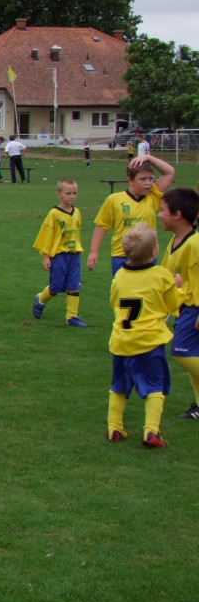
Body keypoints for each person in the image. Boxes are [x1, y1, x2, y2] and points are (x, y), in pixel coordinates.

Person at [107, 224, 180, 448]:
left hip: (121, 340)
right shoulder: (161, 275)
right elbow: (173, 304)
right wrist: (177, 286)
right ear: (154, 252)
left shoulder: (119, 275)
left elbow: (114, 302)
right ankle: (151, 431)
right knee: (155, 386)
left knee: (119, 384)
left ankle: (114, 428)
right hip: (148, 342)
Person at [87, 154, 176, 276]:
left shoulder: (153, 196)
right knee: (125, 294)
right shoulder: (114, 199)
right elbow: (101, 225)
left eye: (151, 179)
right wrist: (93, 251)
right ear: (130, 180)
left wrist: (148, 158)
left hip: (148, 257)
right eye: (143, 179)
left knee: (149, 294)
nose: (148, 183)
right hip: (122, 257)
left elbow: (169, 172)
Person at [158, 187, 199, 420]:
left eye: (162, 210)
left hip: (195, 307)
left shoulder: (195, 244)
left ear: (177, 214)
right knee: (193, 353)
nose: (159, 214)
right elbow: (165, 274)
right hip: (184, 307)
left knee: (180, 351)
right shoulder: (175, 240)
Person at [32, 179, 86, 327]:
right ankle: (41, 299)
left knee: (74, 285)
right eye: (68, 193)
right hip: (59, 256)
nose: (72, 196)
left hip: (74, 255)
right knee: (55, 288)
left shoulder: (77, 213)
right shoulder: (54, 214)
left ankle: (72, 317)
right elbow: (46, 236)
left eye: (74, 193)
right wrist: (45, 256)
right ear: (59, 195)